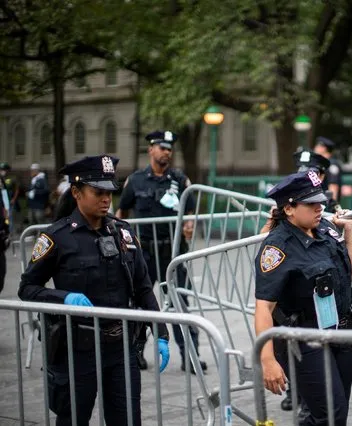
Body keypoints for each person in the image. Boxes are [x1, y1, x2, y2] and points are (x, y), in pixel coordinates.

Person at [18, 155, 170, 426]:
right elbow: (27, 288)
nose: (106, 199)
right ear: (76, 192)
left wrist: (160, 332)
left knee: (126, 420)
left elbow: (143, 288)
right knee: (74, 419)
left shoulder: (123, 233)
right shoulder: (57, 237)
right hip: (78, 351)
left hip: (122, 347)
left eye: (109, 193)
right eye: (98, 192)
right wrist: (64, 297)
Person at [255, 170, 352, 426]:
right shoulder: (277, 247)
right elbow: (263, 307)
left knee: (336, 413)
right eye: (311, 203)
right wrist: (267, 359)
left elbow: (349, 276)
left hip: (340, 333)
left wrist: (351, 234)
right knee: (330, 414)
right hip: (304, 340)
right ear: (289, 209)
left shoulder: (324, 228)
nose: (319, 207)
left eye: (320, 201)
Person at [116, 130, 204, 373]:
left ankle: (191, 357)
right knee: (139, 305)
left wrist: (189, 226)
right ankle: (135, 354)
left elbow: (190, 213)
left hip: (172, 254)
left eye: (169, 148)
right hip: (143, 255)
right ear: (151, 150)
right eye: (162, 147)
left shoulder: (179, 180)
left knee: (180, 304)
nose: (167, 152)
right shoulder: (135, 181)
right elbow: (120, 213)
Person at [313, 137, 343, 207]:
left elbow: (333, 186)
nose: (315, 148)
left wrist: (331, 206)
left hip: (326, 205)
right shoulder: (321, 164)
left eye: (318, 146)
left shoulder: (332, 165)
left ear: (324, 148)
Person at [0, 162, 21, 233]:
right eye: (1, 169)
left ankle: (10, 232)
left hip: (9, 200)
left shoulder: (12, 178)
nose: (3, 171)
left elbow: (17, 189)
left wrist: (14, 199)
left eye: (4, 169)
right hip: (1, 201)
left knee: (9, 217)